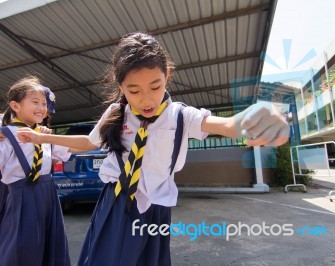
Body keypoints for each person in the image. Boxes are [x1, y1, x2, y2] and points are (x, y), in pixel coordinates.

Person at [18, 32, 289, 266]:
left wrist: (255, 116)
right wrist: (42, 139)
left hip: (158, 205)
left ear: (167, 76)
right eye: (133, 91)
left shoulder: (182, 116)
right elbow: (89, 143)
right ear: (120, 85)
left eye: (155, 86)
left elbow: (228, 124)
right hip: (117, 201)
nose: (146, 99)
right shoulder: (116, 113)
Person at [0, 76, 72, 266]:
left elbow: (74, 148)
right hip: (21, 193)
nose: (42, 108)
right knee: (21, 246)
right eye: (35, 102)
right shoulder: (2, 130)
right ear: (15, 106)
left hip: (48, 194)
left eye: (44, 103)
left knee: (51, 245)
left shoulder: (43, 134)